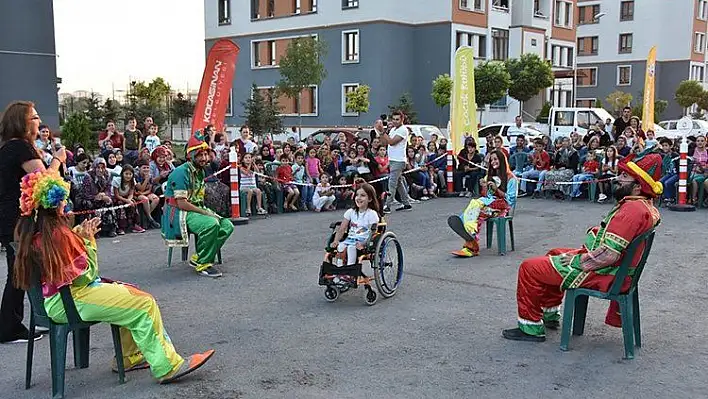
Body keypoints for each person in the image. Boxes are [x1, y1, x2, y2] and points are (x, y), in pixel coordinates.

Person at [14, 169, 215, 382]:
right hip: (72, 301)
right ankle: (167, 366)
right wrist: (89, 240)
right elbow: (88, 275)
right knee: (144, 303)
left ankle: (131, 356)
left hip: (55, 302)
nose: (67, 204)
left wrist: (78, 237)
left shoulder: (36, 233)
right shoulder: (59, 235)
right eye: (64, 200)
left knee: (128, 292)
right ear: (57, 203)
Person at [501, 150, 662, 342]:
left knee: (529, 268)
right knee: (554, 253)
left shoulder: (632, 210)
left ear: (638, 187)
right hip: (618, 270)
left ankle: (531, 329)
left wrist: (578, 259)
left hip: (606, 273)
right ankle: (549, 314)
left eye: (625, 176)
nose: (618, 178)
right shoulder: (644, 205)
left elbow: (609, 256)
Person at [0, 101, 66, 344]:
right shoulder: (20, 148)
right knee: (20, 271)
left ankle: (37, 317)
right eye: (35, 117)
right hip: (16, 220)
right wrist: (58, 160)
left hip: (10, 218)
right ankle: (10, 326)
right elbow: (44, 184)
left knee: (25, 269)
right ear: (23, 123)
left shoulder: (9, 147)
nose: (39, 121)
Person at [161, 134, 234, 278]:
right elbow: (181, 203)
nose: (204, 158)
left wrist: (205, 212)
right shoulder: (180, 172)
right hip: (179, 212)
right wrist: (205, 213)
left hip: (194, 208)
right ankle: (203, 264)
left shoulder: (200, 170)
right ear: (191, 155)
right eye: (200, 155)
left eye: (206, 154)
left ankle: (198, 256)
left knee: (227, 225)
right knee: (211, 223)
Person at [450, 150, 517, 258]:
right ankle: (469, 236)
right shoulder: (489, 176)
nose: (493, 162)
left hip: (502, 207)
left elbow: (511, 200)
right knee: (474, 206)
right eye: (491, 160)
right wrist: (484, 186)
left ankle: (471, 245)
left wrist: (497, 190)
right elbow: (486, 196)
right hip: (489, 204)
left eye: (495, 159)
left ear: (502, 160)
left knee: (477, 211)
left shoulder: (511, 178)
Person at [331, 182, 380, 267]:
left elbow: (373, 232)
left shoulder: (372, 214)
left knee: (351, 248)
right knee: (340, 247)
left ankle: (350, 270)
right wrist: (336, 241)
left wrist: (364, 244)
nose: (359, 198)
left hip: (364, 240)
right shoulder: (351, 212)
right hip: (351, 238)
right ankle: (340, 270)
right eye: (357, 195)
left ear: (370, 199)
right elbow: (342, 229)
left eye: (363, 195)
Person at [380, 110, 412, 213]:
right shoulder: (393, 129)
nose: (395, 121)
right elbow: (385, 142)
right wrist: (382, 133)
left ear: (402, 119)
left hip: (399, 160)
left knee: (392, 183)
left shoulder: (403, 130)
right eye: (393, 119)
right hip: (393, 159)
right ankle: (406, 203)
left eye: (397, 119)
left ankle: (388, 205)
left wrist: (383, 132)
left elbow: (392, 142)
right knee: (398, 182)